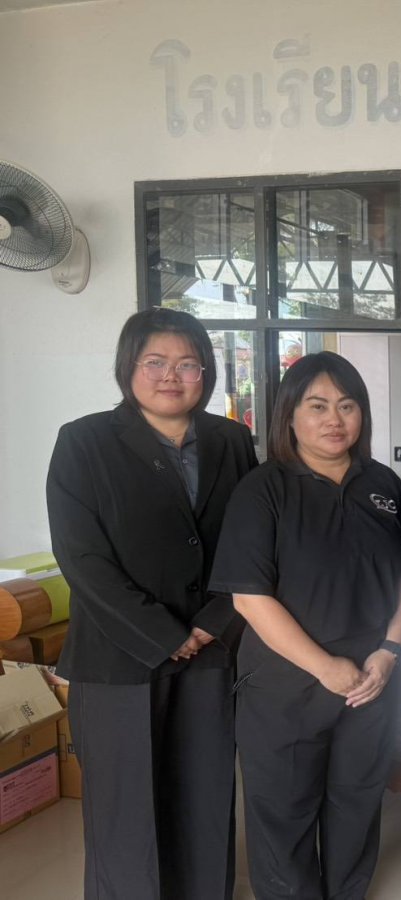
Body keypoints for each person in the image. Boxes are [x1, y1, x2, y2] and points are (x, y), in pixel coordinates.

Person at [45, 307, 257, 900]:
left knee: (204, 796)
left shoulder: (231, 440)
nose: (171, 376)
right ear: (128, 367)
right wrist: (165, 634)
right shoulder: (84, 441)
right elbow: (82, 557)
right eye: (155, 362)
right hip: (117, 658)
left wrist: (214, 622)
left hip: (211, 652)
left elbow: (250, 541)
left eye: (187, 364)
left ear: (206, 372)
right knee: (124, 812)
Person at [208, 352, 401, 900]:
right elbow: (249, 597)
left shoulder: (383, 485)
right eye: (317, 406)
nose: (334, 420)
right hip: (287, 684)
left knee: (357, 801)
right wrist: (325, 667)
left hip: (371, 678)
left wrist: (390, 650)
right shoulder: (263, 489)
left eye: (347, 406)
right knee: (284, 813)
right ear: (290, 415)